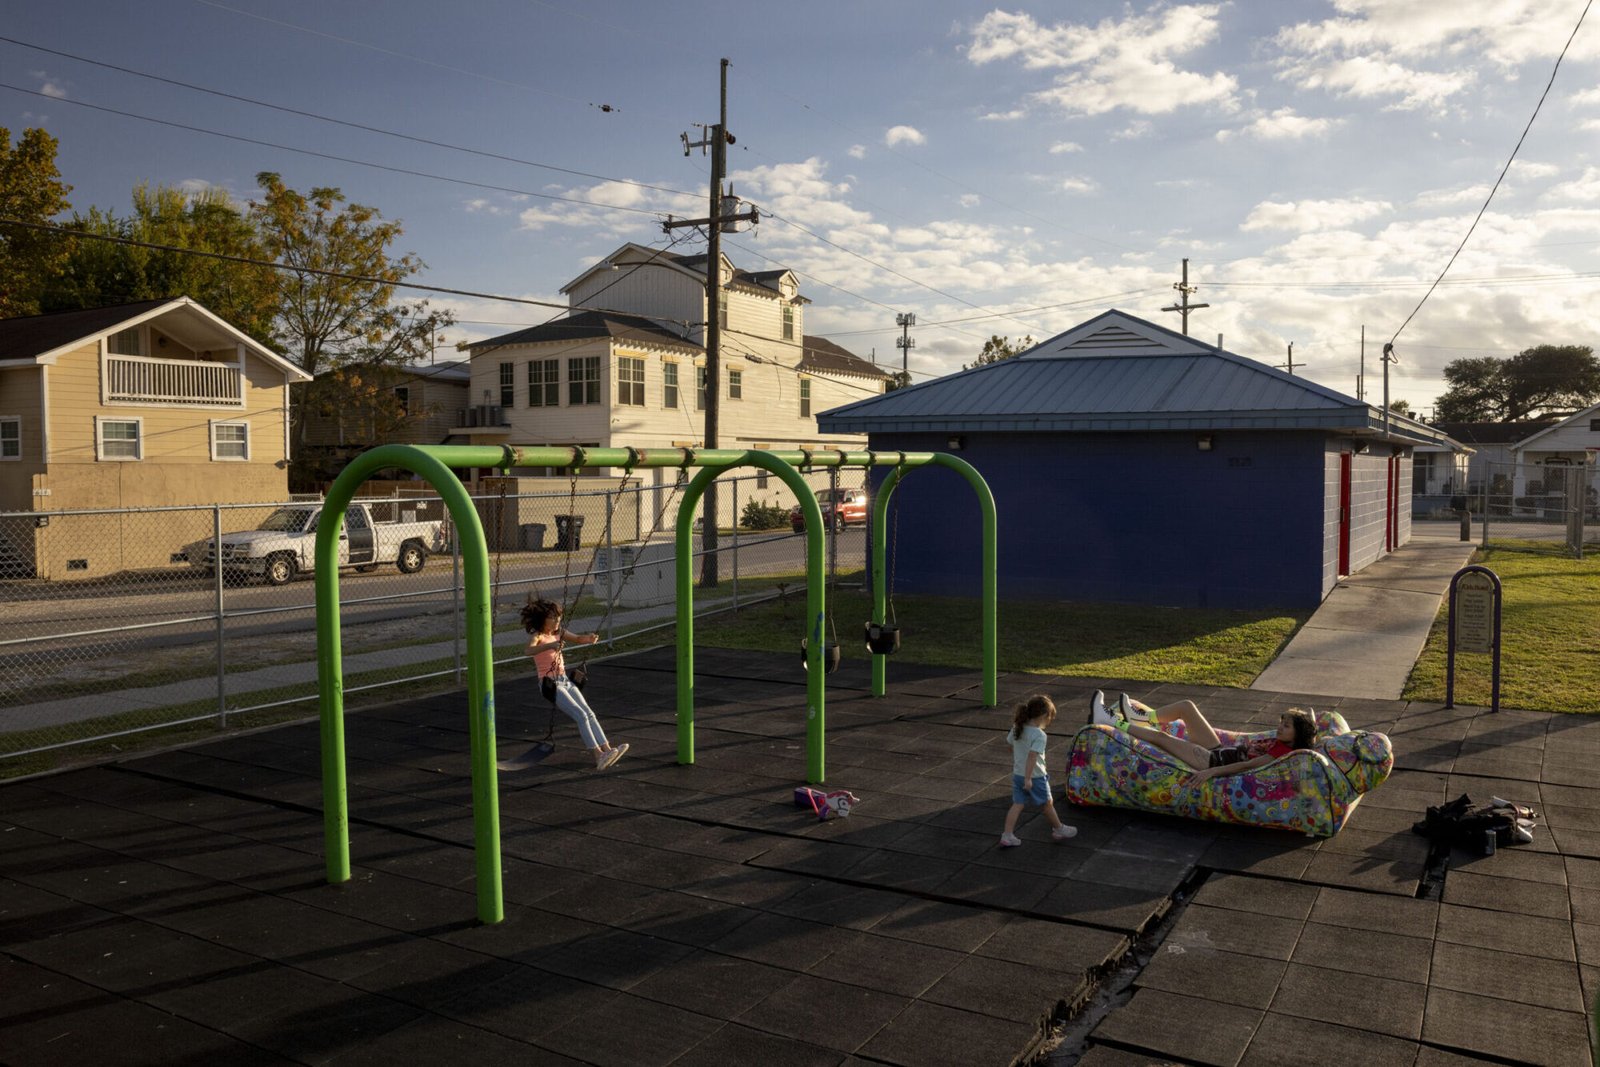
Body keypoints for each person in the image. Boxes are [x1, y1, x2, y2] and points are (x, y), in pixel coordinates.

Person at [1090, 691, 1315, 787]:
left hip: (1210, 761)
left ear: (1298, 736)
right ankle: (1144, 716)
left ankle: (1111, 722)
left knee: (1161, 738)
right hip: (1219, 750)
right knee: (1187, 707)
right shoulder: (1290, 742)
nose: (1279, 728)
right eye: (1281, 723)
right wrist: (1308, 722)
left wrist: (1211, 772)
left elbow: (1247, 766)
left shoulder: (1281, 753)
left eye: (1286, 726)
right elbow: (1309, 728)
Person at [522, 597, 627, 770]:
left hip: (564, 680)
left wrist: (590, 638)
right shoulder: (538, 636)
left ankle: (608, 749)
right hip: (549, 683)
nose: (557, 621)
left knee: (589, 713)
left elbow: (578, 638)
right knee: (580, 715)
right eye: (553, 618)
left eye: (559, 618)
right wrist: (549, 646)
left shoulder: (559, 632)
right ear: (543, 619)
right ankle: (598, 755)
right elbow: (528, 651)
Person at [1001, 694, 1078, 847]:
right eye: (1050, 717)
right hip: (1035, 777)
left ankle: (1007, 835)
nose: (1049, 721)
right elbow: (1032, 756)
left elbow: (1010, 744)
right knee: (1047, 803)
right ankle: (1058, 829)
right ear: (1044, 715)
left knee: (1018, 804)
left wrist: (1020, 766)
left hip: (1018, 775)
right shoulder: (1039, 735)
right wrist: (1028, 778)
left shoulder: (1017, 727)